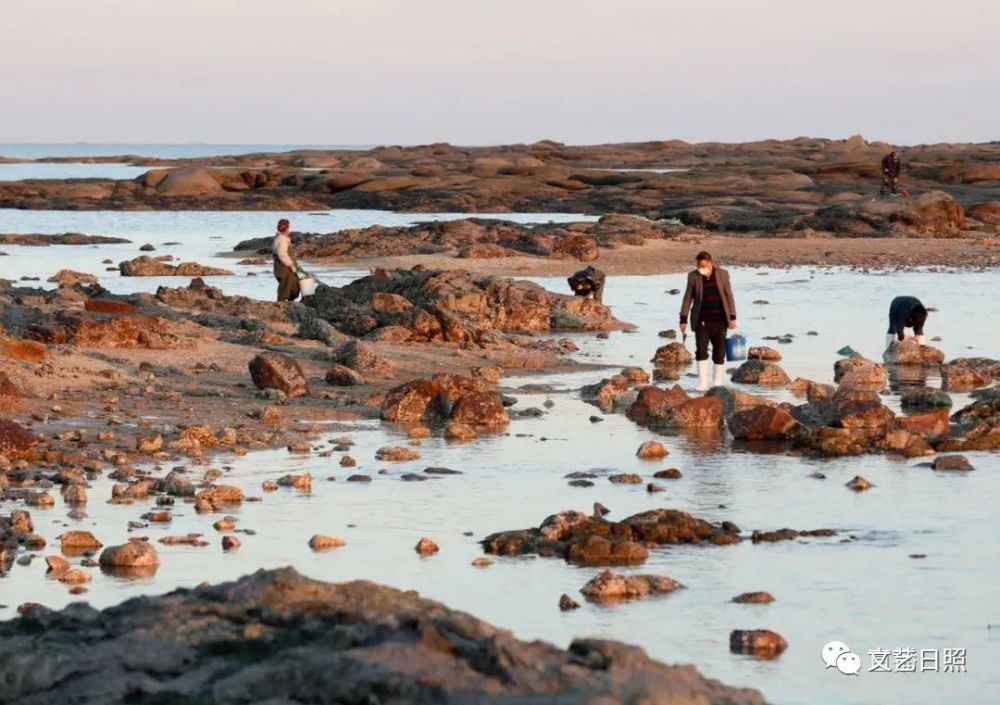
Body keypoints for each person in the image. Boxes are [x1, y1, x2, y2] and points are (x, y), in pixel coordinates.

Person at [679, 251, 737, 391]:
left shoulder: (723, 274)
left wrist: (733, 317)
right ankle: (703, 383)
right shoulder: (693, 276)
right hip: (701, 321)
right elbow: (688, 298)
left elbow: (729, 296)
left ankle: (717, 383)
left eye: (703, 265)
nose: (701, 268)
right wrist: (683, 319)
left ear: (711, 263)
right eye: (699, 265)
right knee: (701, 351)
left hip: (721, 320)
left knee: (720, 352)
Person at [272, 218, 300, 302]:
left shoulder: (281, 238)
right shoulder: (282, 239)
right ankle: (281, 305)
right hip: (284, 268)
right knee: (285, 288)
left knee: (295, 288)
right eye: (288, 227)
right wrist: (291, 265)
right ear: (287, 228)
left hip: (283, 267)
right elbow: (282, 254)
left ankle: (289, 304)